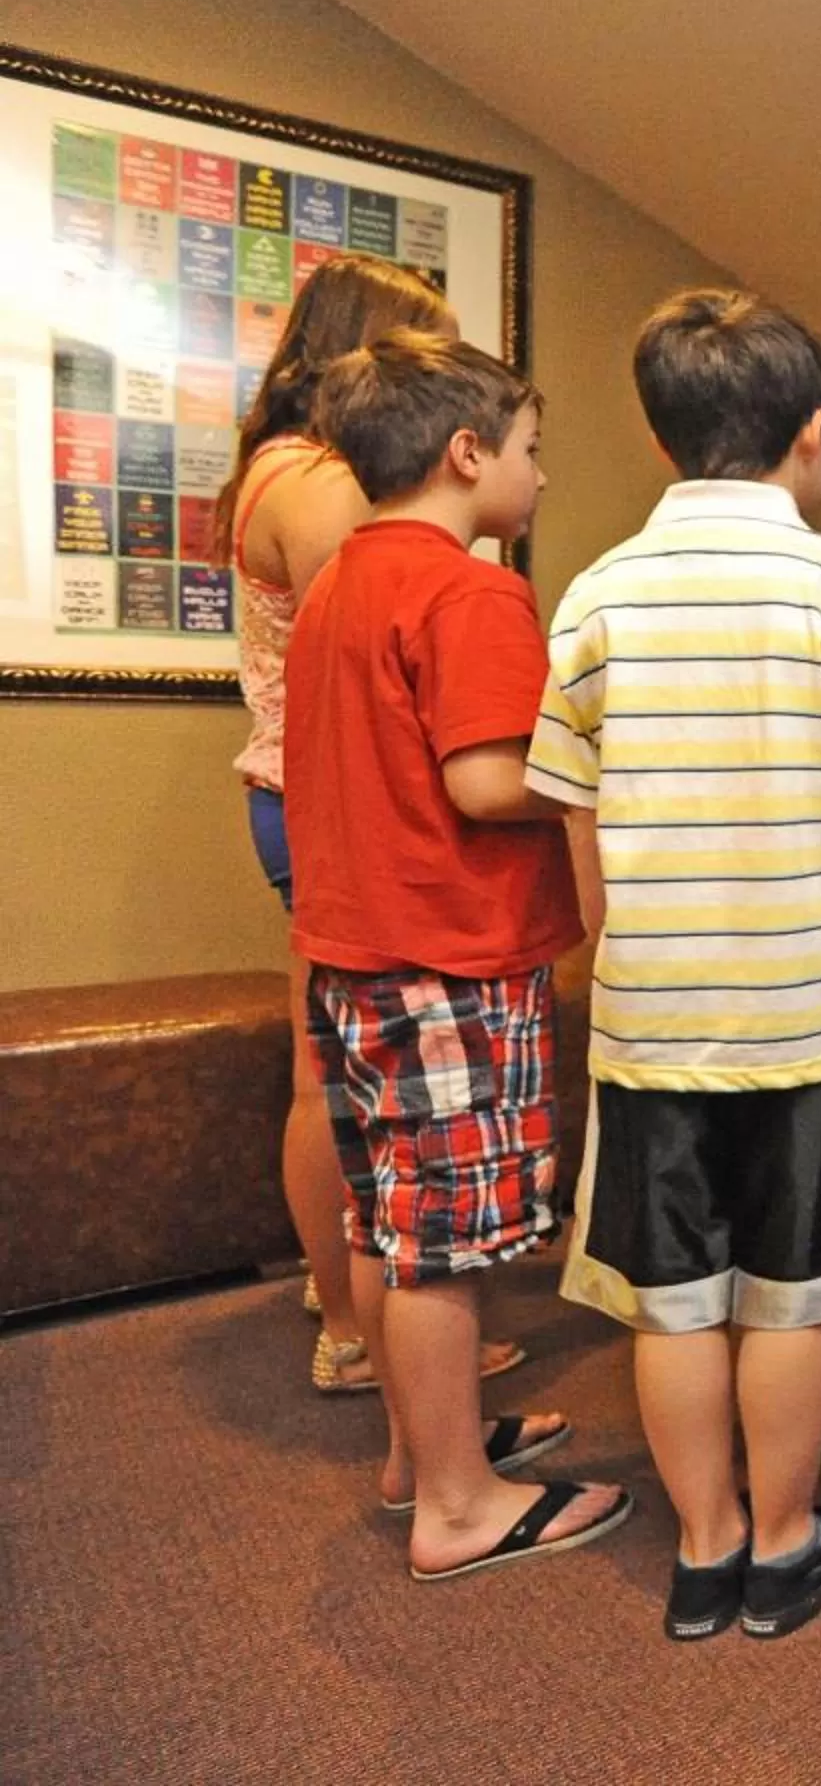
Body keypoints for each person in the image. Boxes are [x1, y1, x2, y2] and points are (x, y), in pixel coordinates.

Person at [532, 288, 821, 1642]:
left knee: (672, 1310)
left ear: (666, 442)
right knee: (790, 1299)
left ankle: (706, 1550)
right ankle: (786, 1548)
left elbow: (575, 807)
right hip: (814, 1017)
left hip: (656, 1015)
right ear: (813, 435)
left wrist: (613, 951)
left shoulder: (596, 595)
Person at [284, 330, 631, 1579]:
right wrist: (602, 762)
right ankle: (459, 1504)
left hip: (356, 952)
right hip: (451, 960)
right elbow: (488, 779)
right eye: (533, 452)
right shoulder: (472, 588)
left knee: (388, 1223)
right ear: (467, 452)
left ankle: (414, 1452)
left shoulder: (336, 581)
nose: (540, 478)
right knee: (446, 1242)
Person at [212, 255, 528, 1399]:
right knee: (346, 1082)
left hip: (291, 795)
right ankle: (363, 1326)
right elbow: (398, 649)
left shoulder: (272, 470)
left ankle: (355, 1306)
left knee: (339, 1068)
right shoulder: (323, 489)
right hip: (335, 801)